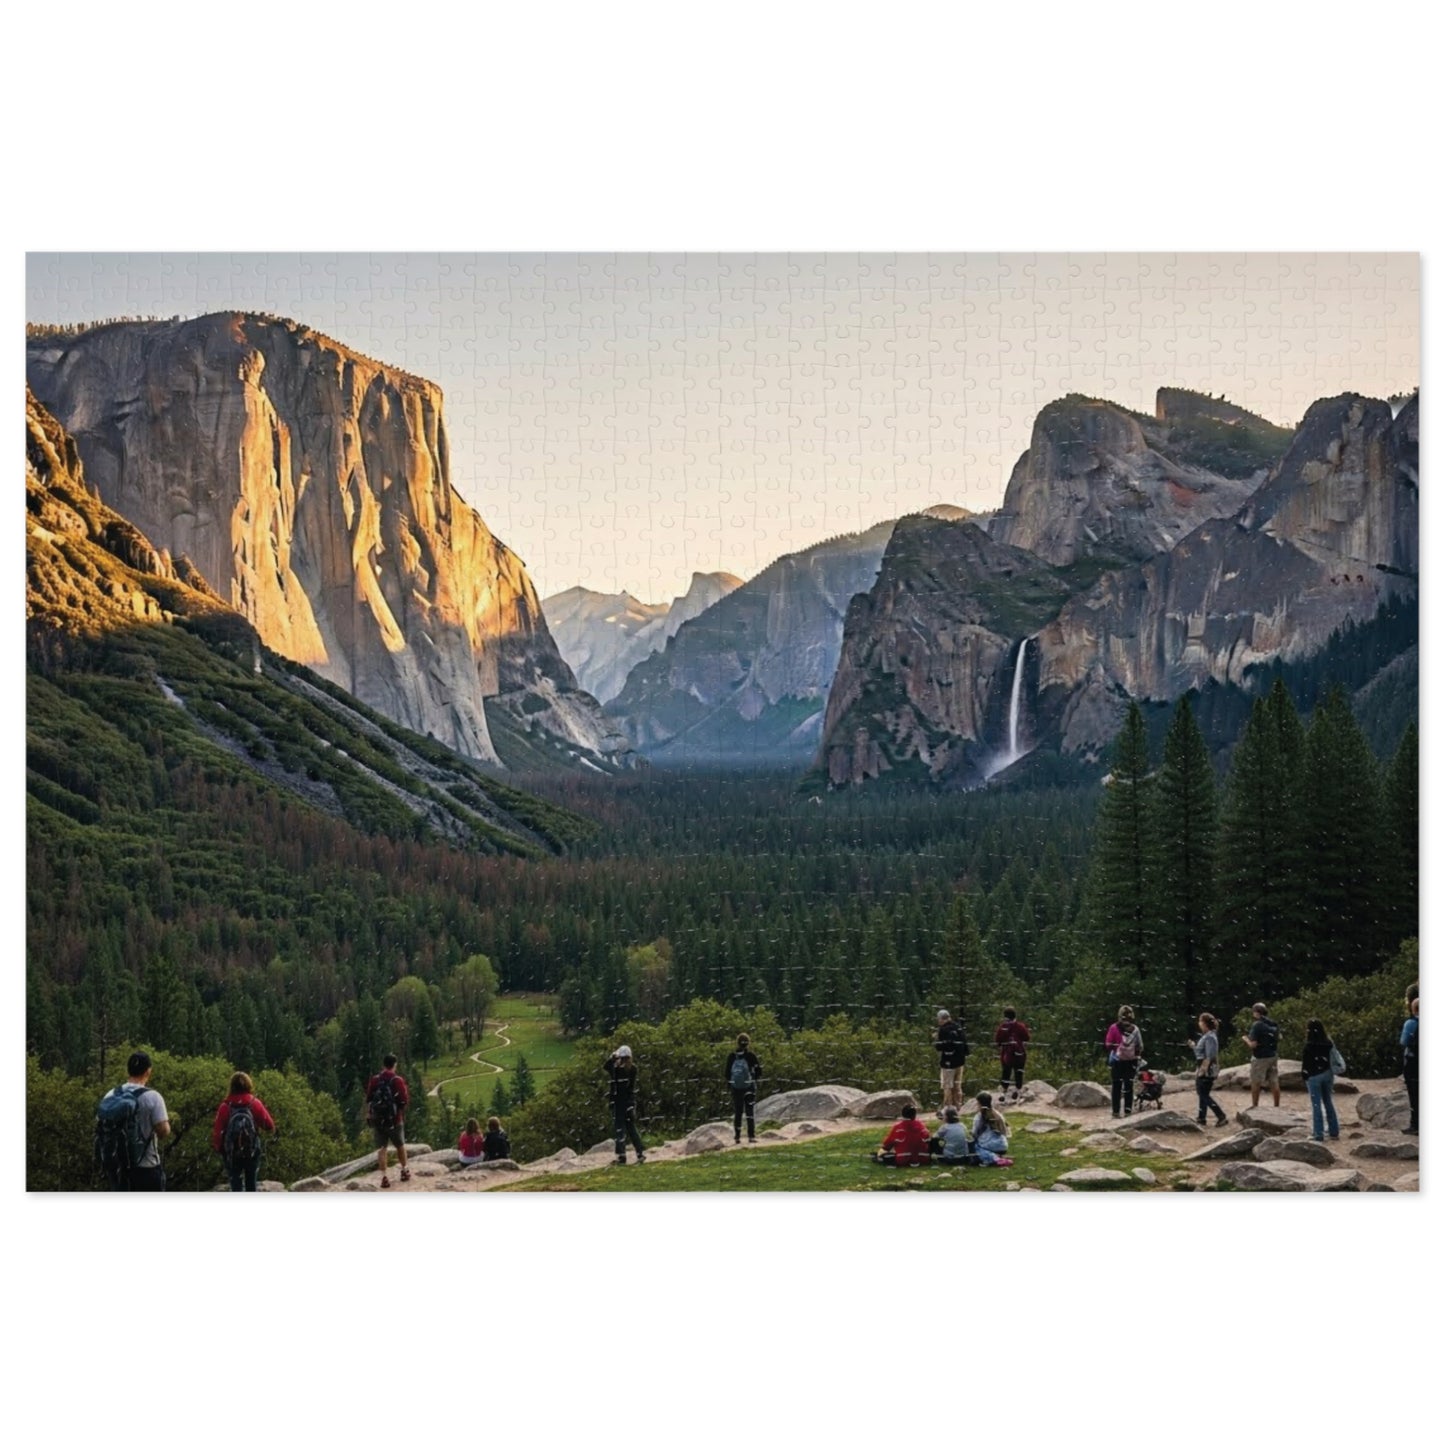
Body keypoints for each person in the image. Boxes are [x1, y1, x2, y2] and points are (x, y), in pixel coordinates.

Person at [95, 1050, 171, 1192]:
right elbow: (164, 1131)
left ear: (128, 1070)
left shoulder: (111, 1094)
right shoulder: (153, 1097)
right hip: (146, 1167)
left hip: (118, 1167)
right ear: (148, 1071)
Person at [211, 1070, 277, 1191]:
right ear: (248, 1085)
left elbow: (217, 1134)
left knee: (235, 1183)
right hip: (251, 1150)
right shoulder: (254, 1103)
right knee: (251, 1182)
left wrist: (222, 1150)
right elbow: (269, 1125)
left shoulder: (225, 1106)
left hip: (232, 1152)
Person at [365, 1053, 411, 1188]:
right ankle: (404, 1171)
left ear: (383, 1065)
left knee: (382, 1149)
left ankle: (384, 1177)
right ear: (394, 1065)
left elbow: (369, 1098)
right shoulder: (397, 1080)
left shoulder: (375, 1080)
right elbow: (404, 1100)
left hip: (378, 1120)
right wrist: (397, 1110)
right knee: (400, 1146)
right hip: (394, 1119)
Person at [1300, 1019, 1340, 1144]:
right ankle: (1334, 1131)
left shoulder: (1309, 1045)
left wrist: (1305, 1076)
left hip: (1314, 1076)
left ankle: (1318, 1133)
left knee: (1316, 1104)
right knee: (1328, 1101)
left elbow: (1306, 1064)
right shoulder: (1328, 1043)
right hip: (1327, 1074)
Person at [604, 1044, 645, 1164]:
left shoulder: (616, 1070)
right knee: (632, 1129)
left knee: (619, 1129)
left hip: (618, 1103)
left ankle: (622, 1156)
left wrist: (612, 1058)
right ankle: (640, 1153)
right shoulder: (633, 1069)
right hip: (630, 1102)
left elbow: (606, 1066)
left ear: (620, 1057)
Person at [1104, 1005, 1144, 1118]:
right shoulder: (1135, 1029)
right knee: (1128, 1086)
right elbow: (1140, 1046)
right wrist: (1134, 1054)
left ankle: (1116, 1112)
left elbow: (1108, 1044)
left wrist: (1117, 1048)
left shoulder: (1114, 1028)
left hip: (1117, 1061)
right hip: (1131, 1061)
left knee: (1116, 1086)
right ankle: (1127, 1111)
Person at [1192, 1013, 1228, 1127]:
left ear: (1204, 1023)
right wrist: (1193, 1047)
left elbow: (1209, 1056)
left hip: (1207, 1069)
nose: (1199, 1023)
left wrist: (1203, 1070)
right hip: (1203, 1066)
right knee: (1203, 1093)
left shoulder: (1210, 1037)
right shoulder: (1207, 1036)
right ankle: (1201, 1117)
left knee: (1203, 1094)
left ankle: (1221, 1116)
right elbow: (1200, 1053)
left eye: (1200, 1021)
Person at [725, 1032, 762, 1144]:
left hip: (736, 1088)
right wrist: (754, 1079)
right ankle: (751, 1136)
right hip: (749, 1086)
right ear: (748, 1043)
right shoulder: (751, 1056)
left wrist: (730, 1084)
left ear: (737, 1043)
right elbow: (759, 1071)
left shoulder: (732, 1056)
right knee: (749, 1111)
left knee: (738, 1112)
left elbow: (727, 1073)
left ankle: (737, 1137)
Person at [1243, 1002, 1282, 1108]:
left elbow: (1253, 1045)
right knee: (1274, 1081)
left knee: (1256, 1082)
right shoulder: (1273, 1024)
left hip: (1260, 1057)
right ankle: (1277, 1106)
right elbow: (1279, 1037)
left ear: (1256, 1012)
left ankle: (1255, 1105)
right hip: (1272, 1055)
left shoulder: (1257, 1025)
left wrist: (1246, 1039)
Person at [933, 1009, 968, 1116]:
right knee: (957, 1085)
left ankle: (947, 1108)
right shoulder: (958, 1027)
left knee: (947, 1086)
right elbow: (964, 1043)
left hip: (948, 1063)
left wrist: (936, 1039)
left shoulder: (943, 1030)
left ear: (941, 1019)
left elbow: (941, 1046)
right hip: (960, 1061)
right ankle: (958, 1106)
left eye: (938, 1019)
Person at [993, 1007, 1031, 1101]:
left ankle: (1004, 1092)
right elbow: (1027, 1037)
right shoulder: (1020, 1026)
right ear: (1015, 1016)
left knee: (1006, 1072)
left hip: (1006, 1055)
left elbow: (998, 1040)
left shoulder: (1003, 1027)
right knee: (1019, 1072)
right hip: (1019, 1054)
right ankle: (1018, 1090)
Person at [969, 1092, 1013, 1166]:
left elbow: (974, 1133)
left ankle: (994, 1159)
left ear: (980, 1104)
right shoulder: (998, 1114)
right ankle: (996, 1156)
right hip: (1003, 1145)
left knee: (974, 1146)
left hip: (990, 1146)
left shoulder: (979, 1117)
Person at [1401, 997, 1419, 1136]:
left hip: (1414, 1062)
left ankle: (1415, 1124)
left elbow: (1404, 1041)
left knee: (1414, 1095)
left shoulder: (1411, 1023)